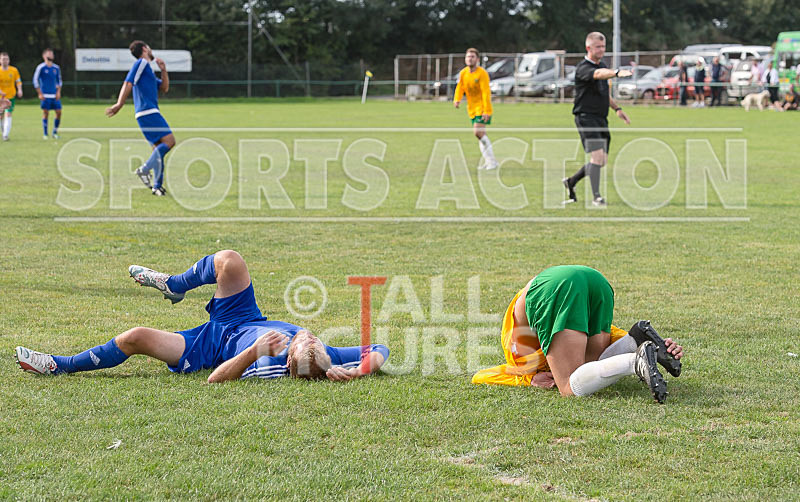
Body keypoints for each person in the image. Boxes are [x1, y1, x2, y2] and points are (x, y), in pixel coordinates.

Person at [15, 250, 390, 383]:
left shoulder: (272, 363)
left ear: (289, 359)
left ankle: (60, 365)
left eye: (301, 343)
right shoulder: (324, 356)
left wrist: (253, 352)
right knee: (230, 260)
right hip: (244, 315)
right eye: (311, 338)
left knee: (135, 337)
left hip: (212, 345)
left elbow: (216, 379)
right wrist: (359, 371)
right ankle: (175, 284)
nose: (306, 335)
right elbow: (380, 349)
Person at [472, 265, 684, 403]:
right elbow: (600, 334)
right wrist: (647, 344)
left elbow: (481, 376)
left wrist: (529, 379)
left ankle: (634, 362)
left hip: (555, 287)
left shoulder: (519, 360)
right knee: (591, 365)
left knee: (568, 386)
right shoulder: (553, 342)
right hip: (594, 279)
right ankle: (635, 341)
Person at [562, 32, 631, 206]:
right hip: (586, 118)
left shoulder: (603, 65)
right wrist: (616, 72)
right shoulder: (584, 68)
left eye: (603, 47)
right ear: (588, 48)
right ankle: (596, 197)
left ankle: (571, 181)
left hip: (601, 119)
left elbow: (604, 93)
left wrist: (617, 109)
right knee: (597, 157)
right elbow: (598, 74)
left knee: (602, 161)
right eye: (597, 47)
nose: (601, 50)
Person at [105, 40, 175, 196]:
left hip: (144, 114)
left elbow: (164, 88)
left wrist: (163, 70)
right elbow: (128, 82)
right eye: (149, 47)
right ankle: (144, 169)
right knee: (170, 141)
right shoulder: (141, 63)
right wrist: (119, 104)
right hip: (148, 111)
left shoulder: (148, 71)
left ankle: (157, 186)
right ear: (144, 49)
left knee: (158, 149)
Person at [453, 48, 498, 170]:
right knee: (481, 135)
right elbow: (460, 87)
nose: (470, 59)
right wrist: (457, 99)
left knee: (478, 132)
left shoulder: (482, 73)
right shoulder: (463, 73)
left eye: (472, 57)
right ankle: (490, 161)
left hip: (482, 108)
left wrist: (487, 110)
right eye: (468, 56)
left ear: (477, 59)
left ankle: (492, 162)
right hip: (472, 109)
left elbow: (486, 92)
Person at [32, 48, 63, 140]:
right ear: (44, 56)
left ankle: (55, 132)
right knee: (46, 113)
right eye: (49, 54)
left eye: (52, 54)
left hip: (54, 95)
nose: (51, 55)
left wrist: (58, 92)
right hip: (45, 95)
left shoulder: (56, 68)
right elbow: (35, 80)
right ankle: (45, 134)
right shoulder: (41, 67)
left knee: (59, 112)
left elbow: (59, 81)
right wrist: (40, 93)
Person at [0, 52, 22, 142]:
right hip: (1, 98)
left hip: (10, 96)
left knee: (8, 113)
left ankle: (5, 135)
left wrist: (20, 90)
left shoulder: (14, 70)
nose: (5, 61)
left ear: (9, 60)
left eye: (6, 59)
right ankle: (3, 131)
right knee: (1, 116)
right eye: (3, 59)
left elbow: (18, 81)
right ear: (0, 60)